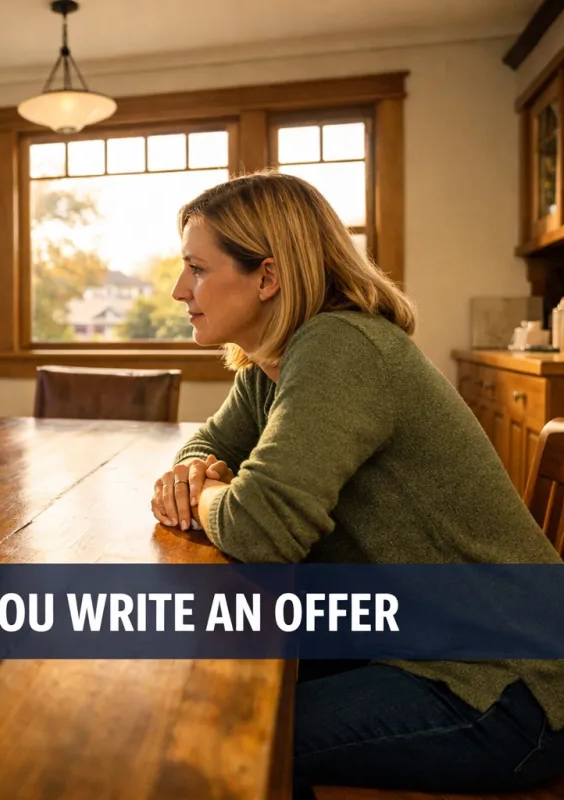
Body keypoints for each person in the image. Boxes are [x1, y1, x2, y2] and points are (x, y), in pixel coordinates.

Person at [150, 171, 564, 798]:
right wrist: (200, 472)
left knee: (229, 733)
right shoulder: (271, 363)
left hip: (501, 684)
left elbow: (260, 529)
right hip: (412, 642)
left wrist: (208, 495)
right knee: (215, 684)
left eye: (197, 268)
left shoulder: (340, 347)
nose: (180, 289)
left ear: (267, 277)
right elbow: (206, 446)